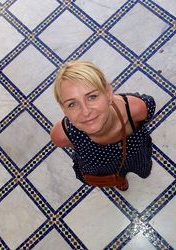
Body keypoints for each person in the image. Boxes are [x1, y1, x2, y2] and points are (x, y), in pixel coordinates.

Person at [50, 60, 156, 191]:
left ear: (108, 93)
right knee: (112, 177)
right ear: (64, 109)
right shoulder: (61, 136)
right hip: (102, 168)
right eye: (72, 104)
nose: (86, 112)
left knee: (139, 167)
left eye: (92, 97)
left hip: (134, 156)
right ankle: (118, 180)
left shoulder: (137, 110)